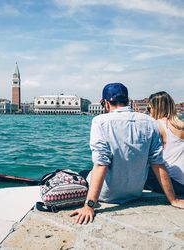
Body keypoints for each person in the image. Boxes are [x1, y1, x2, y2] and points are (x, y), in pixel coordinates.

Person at [70, 83, 184, 224]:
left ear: (105, 103)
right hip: (135, 192)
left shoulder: (99, 121)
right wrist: (173, 200)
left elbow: (101, 164)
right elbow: (157, 163)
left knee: (82, 173)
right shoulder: (150, 122)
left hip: (108, 195)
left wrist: (89, 206)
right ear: (127, 101)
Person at [145, 91, 184, 195]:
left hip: (172, 183)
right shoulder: (181, 125)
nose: (148, 112)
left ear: (156, 108)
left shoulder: (157, 125)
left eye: (149, 108)